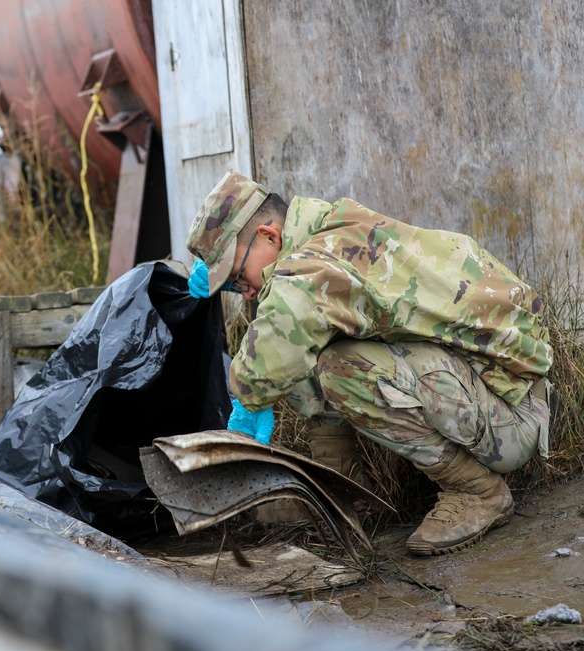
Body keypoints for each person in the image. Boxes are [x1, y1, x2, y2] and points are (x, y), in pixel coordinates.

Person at [185, 170, 552, 556]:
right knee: (314, 342)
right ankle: (338, 481)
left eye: (239, 278)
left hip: (514, 414)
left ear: (270, 235)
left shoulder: (313, 268)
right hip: (481, 392)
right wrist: (230, 272)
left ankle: (479, 491)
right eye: (234, 288)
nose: (244, 294)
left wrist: (245, 400)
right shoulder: (330, 227)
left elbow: (282, 330)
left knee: (338, 367)